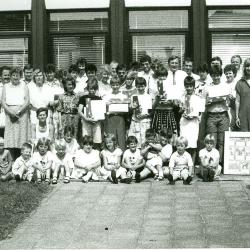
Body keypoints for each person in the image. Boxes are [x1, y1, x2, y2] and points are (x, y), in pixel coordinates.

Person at [1, 67, 31, 160]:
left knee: (21, 138)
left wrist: (18, 112)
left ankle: (22, 159)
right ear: (10, 76)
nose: (15, 77)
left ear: (20, 76)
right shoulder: (6, 86)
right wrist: (11, 112)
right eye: (13, 75)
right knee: (10, 139)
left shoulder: (24, 85)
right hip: (9, 114)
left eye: (17, 75)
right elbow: (3, 101)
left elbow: (27, 100)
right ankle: (11, 160)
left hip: (22, 114)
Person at [204, 66, 230, 165]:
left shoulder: (225, 86)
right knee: (211, 140)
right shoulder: (207, 87)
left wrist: (227, 98)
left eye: (218, 75)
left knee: (222, 140)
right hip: (211, 115)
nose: (216, 78)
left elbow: (229, 102)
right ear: (211, 76)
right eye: (214, 76)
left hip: (223, 114)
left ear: (220, 75)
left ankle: (220, 163)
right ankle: (212, 163)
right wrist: (209, 101)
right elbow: (203, 102)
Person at [180, 76, 201, 165]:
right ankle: (184, 163)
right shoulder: (182, 97)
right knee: (184, 142)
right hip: (184, 122)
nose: (189, 88)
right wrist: (183, 112)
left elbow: (199, 112)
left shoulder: (197, 98)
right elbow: (180, 110)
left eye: (190, 86)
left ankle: (191, 164)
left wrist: (194, 116)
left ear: (193, 86)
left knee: (193, 143)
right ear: (185, 86)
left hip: (193, 123)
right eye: (187, 86)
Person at [103, 77, 128, 150]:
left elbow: (126, 107)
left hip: (120, 117)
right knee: (111, 136)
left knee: (121, 137)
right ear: (110, 85)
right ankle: (111, 155)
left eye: (117, 85)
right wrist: (106, 104)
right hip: (110, 118)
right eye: (113, 85)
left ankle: (121, 155)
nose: (115, 87)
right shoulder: (107, 96)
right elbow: (103, 109)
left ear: (120, 85)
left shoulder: (123, 96)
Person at [78, 78, 102, 149]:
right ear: (88, 89)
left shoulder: (99, 98)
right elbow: (79, 111)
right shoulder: (83, 98)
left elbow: (101, 112)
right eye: (91, 89)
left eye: (94, 89)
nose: (92, 91)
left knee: (97, 140)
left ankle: (96, 155)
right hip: (86, 121)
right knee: (86, 140)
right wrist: (86, 118)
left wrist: (98, 118)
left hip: (96, 122)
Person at [128, 77, 152, 148]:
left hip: (145, 121)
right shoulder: (133, 96)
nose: (141, 88)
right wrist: (132, 107)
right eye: (138, 86)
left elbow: (150, 111)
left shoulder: (148, 96)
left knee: (145, 139)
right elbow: (130, 108)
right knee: (136, 138)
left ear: (145, 86)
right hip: (136, 121)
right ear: (136, 86)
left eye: (142, 86)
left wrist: (144, 115)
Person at [235, 58, 250, 132]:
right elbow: (237, 101)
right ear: (244, 68)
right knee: (244, 140)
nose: (249, 68)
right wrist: (237, 117)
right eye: (247, 66)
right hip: (243, 115)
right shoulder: (240, 82)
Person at [224, 64, 238, 131]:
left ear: (234, 74)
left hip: (234, 109)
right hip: (225, 109)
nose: (228, 75)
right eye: (226, 73)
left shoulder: (238, 83)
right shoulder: (223, 84)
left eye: (230, 73)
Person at [0, 66, 11, 137]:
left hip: (11, 118)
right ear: (1, 76)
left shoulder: (14, 87)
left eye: (8, 75)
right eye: (5, 75)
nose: (7, 77)